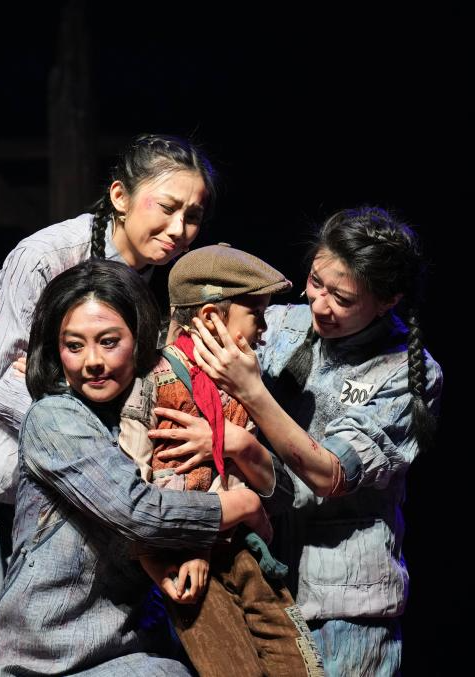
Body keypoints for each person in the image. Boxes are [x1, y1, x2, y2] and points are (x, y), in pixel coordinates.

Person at [0, 134, 215, 675]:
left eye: (193, 215)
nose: (179, 228)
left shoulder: (158, 283)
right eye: (166, 207)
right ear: (120, 196)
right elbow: (4, 379)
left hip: (38, 478)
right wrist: (97, 445)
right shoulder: (48, 256)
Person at [0, 259, 272, 675]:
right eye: (74, 346)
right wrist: (240, 506)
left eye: (109, 342)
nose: (92, 361)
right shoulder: (55, 418)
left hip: (127, 647)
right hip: (40, 659)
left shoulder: (151, 412)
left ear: (140, 338)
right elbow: (139, 512)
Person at [187, 207, 443, 676]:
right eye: (315, 282)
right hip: (253, 578)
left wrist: (252, 393)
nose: (320, 304)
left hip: (341, 603)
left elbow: (330, 474)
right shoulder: (277, 324)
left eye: (342, 298)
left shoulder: (408, 373)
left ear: (387, 301)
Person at [118, 243, 323, 677]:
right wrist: (178, 547)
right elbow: (132, 482)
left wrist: (243, 472)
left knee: (300, 665)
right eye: (256, 314)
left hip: (243, 549)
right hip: (183, 561)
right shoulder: (151, 379)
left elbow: (274, 488)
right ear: (211, 317)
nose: (264, 329)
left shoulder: (241, 382)